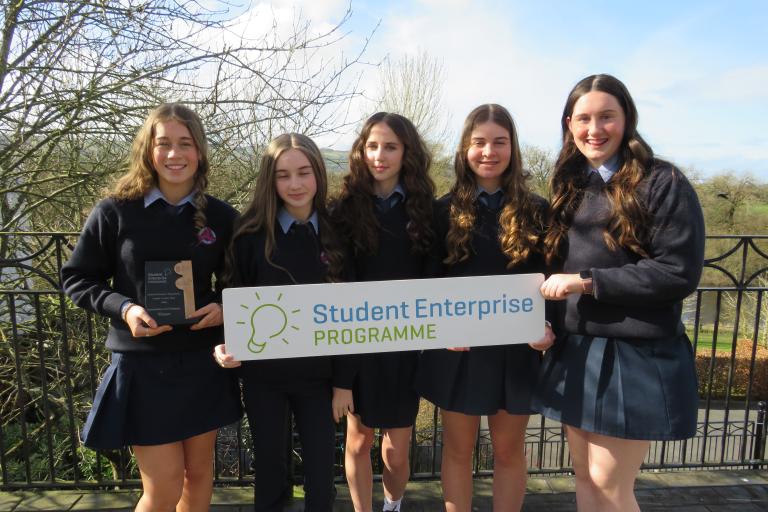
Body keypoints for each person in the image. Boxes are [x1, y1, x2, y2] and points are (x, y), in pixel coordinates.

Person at [533, 74, 704, 512]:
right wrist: (543, 325)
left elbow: (677, 272)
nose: (595, 129)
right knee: (585, 479)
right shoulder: (569, 184)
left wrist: (588, 282)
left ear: (627, 119)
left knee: (610, 486)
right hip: (575, 349)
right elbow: (552, 267)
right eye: (584, 118)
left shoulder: (663, 181)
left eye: (606, 116)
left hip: (634, 354)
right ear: (569, 124)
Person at [61, 103, 242, 512]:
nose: (175, 154)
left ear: (200, 151)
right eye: (164, 144)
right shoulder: (114, 211)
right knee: (163, 488)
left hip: (203, 362)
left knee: (198, 477)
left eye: (185, 143)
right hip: (142, 366)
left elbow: (243, 282)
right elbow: (77, 278)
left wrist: (224, 306)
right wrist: (125, 308)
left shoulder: (221, 216)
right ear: (148, 150)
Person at [416, 104, 554, 512]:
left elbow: (550, 281)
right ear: (465, 148)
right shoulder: (441, 211)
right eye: (479, 142)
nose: (489, 151)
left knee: (509, 452)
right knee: (458, 452)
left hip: (518, 352)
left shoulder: (538, 211)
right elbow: (427, 283)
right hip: (459, 352)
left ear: (513, 148)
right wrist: (440, 327)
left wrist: (547, 328)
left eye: (499, 142)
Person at [214, 133, 354, 511]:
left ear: (318, 173)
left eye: (304, 172)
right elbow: (231, 297)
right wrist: (227, 345)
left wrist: (344, 382)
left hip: (320, 379)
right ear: (270, 180)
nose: (295, 184)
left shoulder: (339, 233)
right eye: (283, 175)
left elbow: (351, 316)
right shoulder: (248, 235)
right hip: (264, 378)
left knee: (321, 474)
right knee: (271, 471)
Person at [331, 112, 437, 512]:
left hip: (405, 345)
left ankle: (393, 505)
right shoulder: (343, 209)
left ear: (406, 152)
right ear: (361, 151)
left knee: (397, 447)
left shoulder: (426, 209)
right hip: (356, 343)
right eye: (372, 146)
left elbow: (434, 277)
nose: (380, 155)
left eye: (390, 147)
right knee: (358, 440)